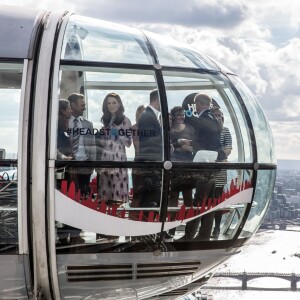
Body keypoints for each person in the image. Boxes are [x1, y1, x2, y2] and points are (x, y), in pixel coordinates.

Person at [182, 93, 226, 241]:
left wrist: (192, 145)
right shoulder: (212, 117)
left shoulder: (204, 118)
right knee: (209, 200)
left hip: (206, 165)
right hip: (212, 163)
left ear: (198, 104)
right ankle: (204, 234)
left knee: (199, 200)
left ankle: (189, 236)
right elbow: (211, 140)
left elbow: (210, 142)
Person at [97, 92, 132, 204]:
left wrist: (117, 133)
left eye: (114, 103)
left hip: (118, 159)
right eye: (108, 103)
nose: (111, 105)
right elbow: (104, 143)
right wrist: (100, 136)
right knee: (105, 196)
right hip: (106, 159)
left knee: (117, 195)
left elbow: (128, 142)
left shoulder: (125, 120)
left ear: (119, 104)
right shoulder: (106, 121)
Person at [56, 99, 82, 245]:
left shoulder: (64, 125)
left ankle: (69, 235)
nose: (70, 111)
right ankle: (69, 235)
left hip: (68, 168)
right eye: (68, 109)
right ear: (63, 110)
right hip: (64, 169)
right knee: (70, 199)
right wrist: (64, 157)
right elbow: (53, 147)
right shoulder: (58, 126)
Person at [168, 106, 196, 236]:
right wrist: (180, 149)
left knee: (188, 199)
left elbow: (196, 144)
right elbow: (168, 148)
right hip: (173, 168)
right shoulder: (169, 131)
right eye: (178, 115)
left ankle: (189, 231)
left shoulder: (190, 129)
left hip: (187, 167)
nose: (181, 117)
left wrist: (191, 149)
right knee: (173, 198)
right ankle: (171, 229)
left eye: (183, 115)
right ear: (173, 116)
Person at [137, 89, 162, 208]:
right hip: (151, 163)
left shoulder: (149, 115)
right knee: (150, 200)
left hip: (151, 163)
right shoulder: (148, 116)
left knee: (151, 199)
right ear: (158, 99)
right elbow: (149, 141)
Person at [69, 93, 96, 199]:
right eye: (82, 105)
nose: (84, 108)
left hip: (85, 164)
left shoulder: (88, 124)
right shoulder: (64, 122)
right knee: (71, 194)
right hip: (70, 164)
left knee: (83, 193)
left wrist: (92, 163)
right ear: (73, 105)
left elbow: (92, 144)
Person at [211, 106, 232, 237]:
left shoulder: (225, 131)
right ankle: (205, 227)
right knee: (205, 199)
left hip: (219, 171)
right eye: (215, 115)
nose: (218, 118)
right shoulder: (206, 132)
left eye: (219, 115)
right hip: (206, 171)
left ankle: (216, 228)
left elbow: (228, 149)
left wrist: (217, 157)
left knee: (217, 200)